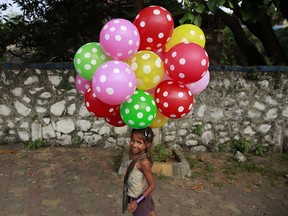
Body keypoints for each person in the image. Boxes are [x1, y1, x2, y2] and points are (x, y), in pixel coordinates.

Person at [126, 127, 157, 216]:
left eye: (139, 142)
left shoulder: (144, 162)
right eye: (132, 140)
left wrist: (137, 201)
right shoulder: (135, 155)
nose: (134, 145)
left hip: (140, 199)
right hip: (140, 196)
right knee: (151, 211)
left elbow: (152, 185)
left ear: (147, 144)